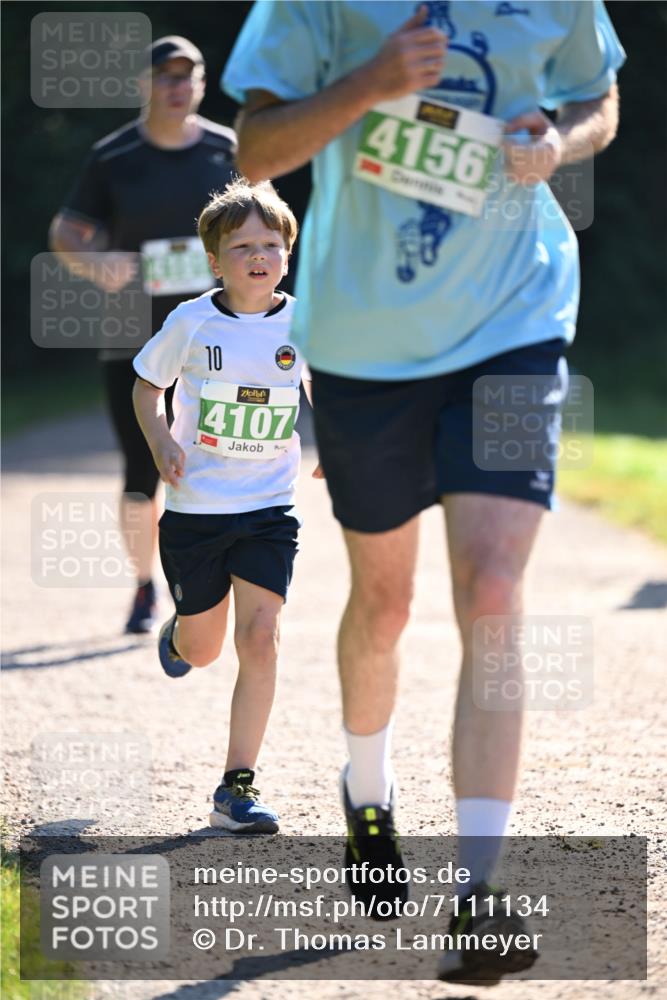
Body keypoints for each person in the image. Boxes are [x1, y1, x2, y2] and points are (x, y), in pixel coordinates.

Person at [223, 0, 624, 979]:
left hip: (515, 315)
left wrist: (557, 142)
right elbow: (257, 148)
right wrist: (369, 84)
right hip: (365, 343)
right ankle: (368, 790)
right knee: (386, 601)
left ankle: (478, 893)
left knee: (492, 587)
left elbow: (598, 97)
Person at [133, 179, 312, 833]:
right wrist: (158, 440)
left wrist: (345, 450)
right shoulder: (191, 320)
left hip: (269, 506)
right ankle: (178, 633)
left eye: (270, 244)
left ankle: (237, 786)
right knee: (204, 650)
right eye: (241, 247)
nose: (257, 257)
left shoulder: (305, 322)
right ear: (215, 260)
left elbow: (334, 392)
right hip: (196, 509)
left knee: (261, 638)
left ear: (287, 253)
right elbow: (147, 386)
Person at [50, 36, 237, 633]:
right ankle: (143, 586)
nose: (177, 86)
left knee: (221, 454)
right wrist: (94, 262)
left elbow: (260, 224)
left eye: (188, 75)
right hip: (133, 329)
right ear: (145, 84)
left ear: (202, 84)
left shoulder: (226, 148)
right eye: (165, 75)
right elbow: (67, 230)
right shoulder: (114, 156)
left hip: (217, 327)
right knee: (141, 466)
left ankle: (217, 575)